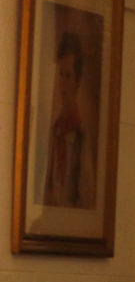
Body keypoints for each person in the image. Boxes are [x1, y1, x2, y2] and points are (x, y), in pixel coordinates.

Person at [43, 31, 96, 209]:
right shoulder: (53, 130)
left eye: (68, 76)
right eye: (60, 74)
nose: (62, 83)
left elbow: (87, 196)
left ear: (77, 81)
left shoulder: (81, 134)